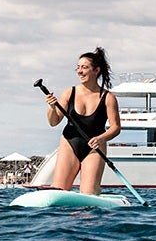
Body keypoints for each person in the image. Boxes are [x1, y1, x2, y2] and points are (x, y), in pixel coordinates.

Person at [44, 47, 122, 195]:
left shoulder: (108, 97)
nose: (80, 71)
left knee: (89, 193)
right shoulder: (69, 93)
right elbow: (53, 122)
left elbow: (116, 128)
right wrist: (52, 107)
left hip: (94, 148)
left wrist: (101, 138)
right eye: (78, 68)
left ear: (96, 70)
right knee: (59, 190)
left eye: (84, 67)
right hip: (70, 143)